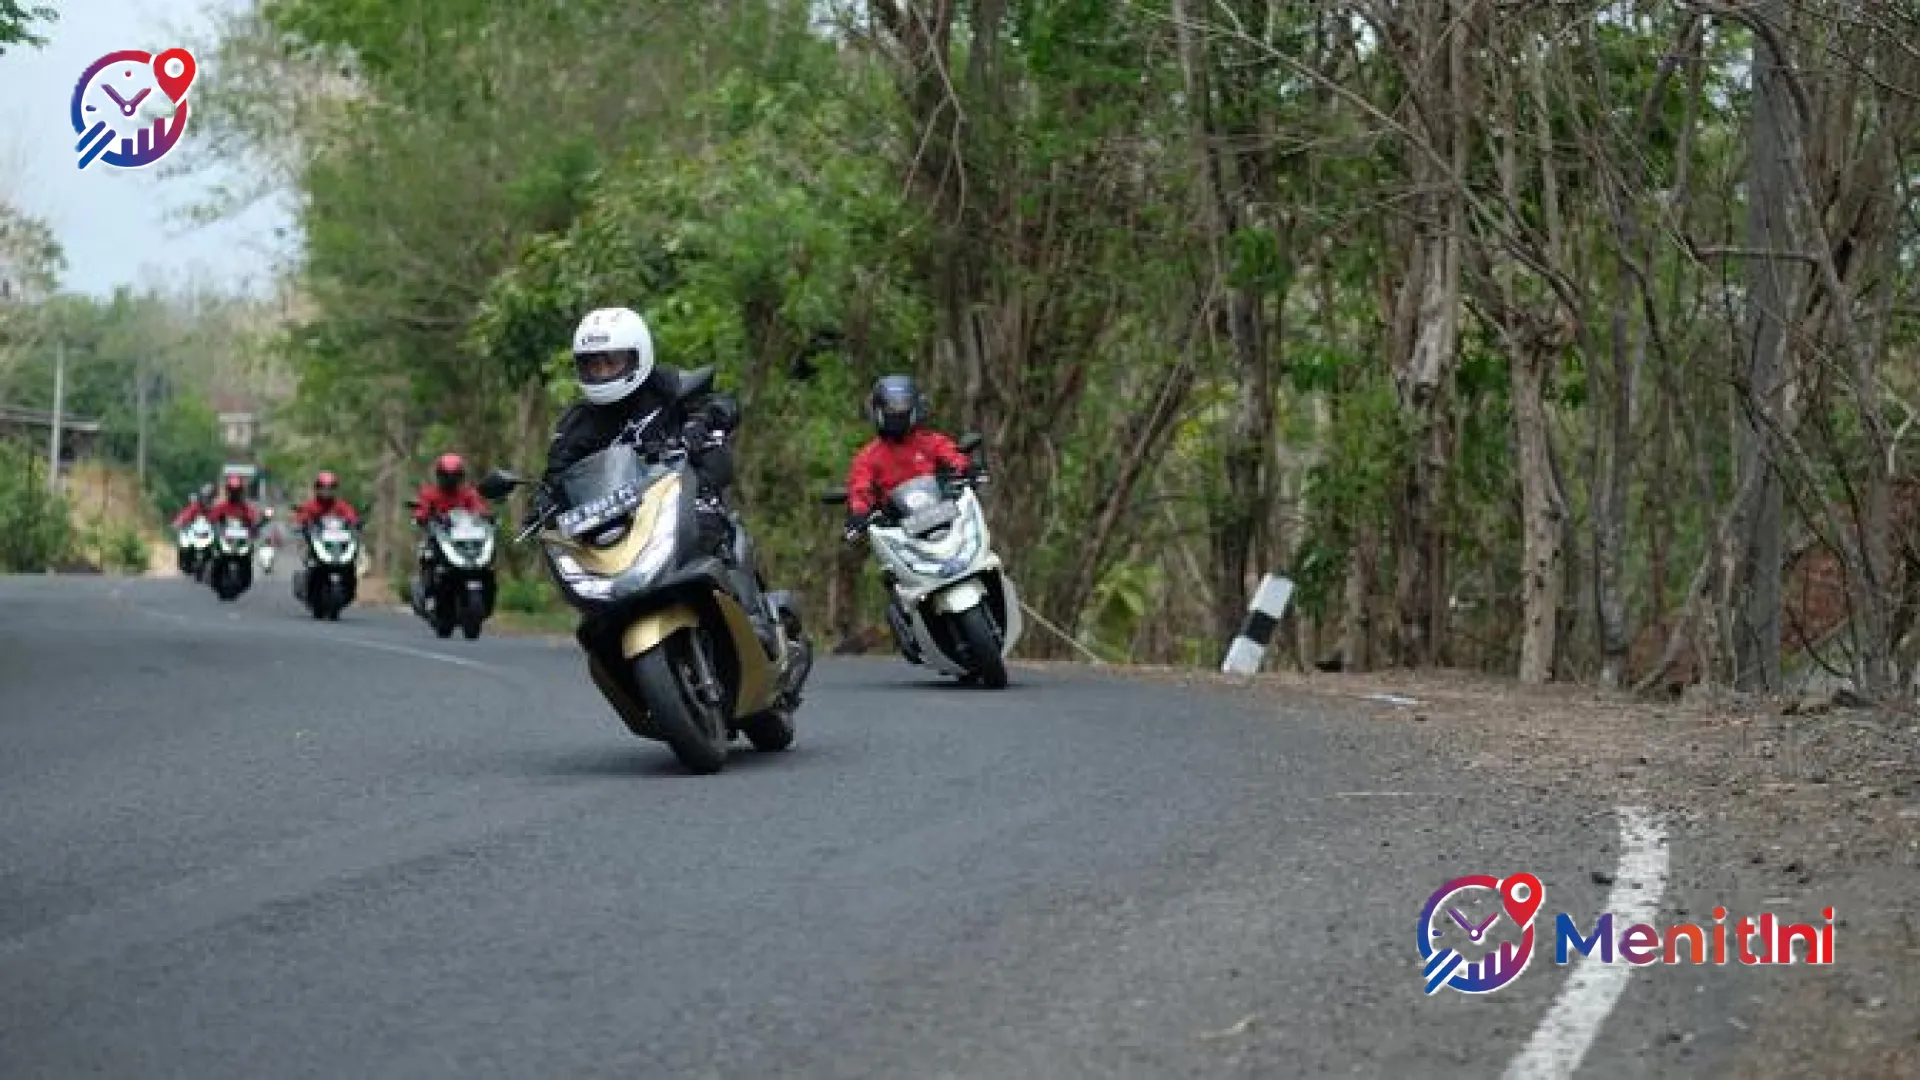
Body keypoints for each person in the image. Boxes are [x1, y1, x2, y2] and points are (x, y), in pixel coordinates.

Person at [534, 305, 780, 655]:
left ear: (639, 357)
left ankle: (752, 614)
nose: (602, 372)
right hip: (624, 517)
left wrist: (705, 420)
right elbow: (558, 473)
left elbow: (716, 401)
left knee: (709, 522)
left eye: (611, 362)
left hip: (681, 490)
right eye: (592, 364)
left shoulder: (666, 385)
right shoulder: (578, 422)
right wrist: (544, 500)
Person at [843, 374, 974, 538]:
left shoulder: (930, 441)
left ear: (915, 408)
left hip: (944, 518)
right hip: (899, 531)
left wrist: (963, 469)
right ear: (878, 411)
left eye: (903, 406)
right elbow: (860, 488)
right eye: (891, 408)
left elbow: (953, 456)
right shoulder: (868, 457)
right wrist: (859, 512)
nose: (897, 413)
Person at [293, 470, 361, 528]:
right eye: (323, 488)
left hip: (339, 538)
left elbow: (350, 513)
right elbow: (302, 517)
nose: (326, 491)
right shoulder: (310, 505)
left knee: (357, 543)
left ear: (334, 489)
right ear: (317, 488)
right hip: (315, 538)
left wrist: (354, 521)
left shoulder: (340, 504)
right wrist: (303, 521)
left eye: (330, 488)